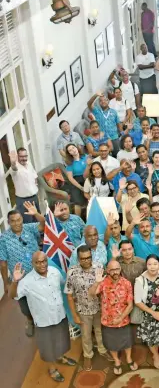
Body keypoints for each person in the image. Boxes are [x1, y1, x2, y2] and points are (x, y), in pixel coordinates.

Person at [10, 252, 77, 382]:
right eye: (38, 262)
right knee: (47, 347)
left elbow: (64, 283)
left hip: (60, 315)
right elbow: (12, 296)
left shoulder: (54, 272)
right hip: (43, 322)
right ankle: (52, 369)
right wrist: (14, 281)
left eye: (44, 261)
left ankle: (61, 357)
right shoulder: (26, 281)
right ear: (33, 263)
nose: (42, 264)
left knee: (61, 340)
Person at [0, 204, 45, 337]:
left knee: (41, 297)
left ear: (22, 219)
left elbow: (44, 224)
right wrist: (6, 283)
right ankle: (29, 320)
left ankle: (42, 320)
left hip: (37, 272)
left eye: (19, 219)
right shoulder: (3, 239)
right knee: (24, 303)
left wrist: (36, 213)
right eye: (12, 221)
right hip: (20, 278)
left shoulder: (30, 228)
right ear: (8, 222)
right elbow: (3, 263)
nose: (16, 223)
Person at [65, 245, 110, 371]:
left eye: (88, 257)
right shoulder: (72, 272)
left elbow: (106, 288)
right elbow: (69, 296)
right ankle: (87, 355)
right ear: (78, 259)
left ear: (91, 256)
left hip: (99, 308)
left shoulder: (99, 268)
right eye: (83, 258)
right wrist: (74, 315)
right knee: (86, 335)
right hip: (83, 310)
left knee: (100, 331)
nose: (86, 260)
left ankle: (102, 349)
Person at [89, 260, 137, 376]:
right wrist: (97, 282)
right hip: (108, 321)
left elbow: (130, 305)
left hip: (123, 320)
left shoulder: (127, 283)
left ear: (120, 269)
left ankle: (129, 358)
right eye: (112, 270)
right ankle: (117, 360)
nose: (115, 272)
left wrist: (120, 318)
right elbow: (91, 294)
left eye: (117, 269)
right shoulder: (103, 283)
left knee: (127, 342)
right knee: (111, 344)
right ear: (107, 270)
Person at [134, 254, 159, 369]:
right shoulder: (140, 280)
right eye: (149, 264)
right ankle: (155, 355)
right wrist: (153, 313)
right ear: (146, 265)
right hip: (148, 314)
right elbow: (138, 301)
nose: (152, 267)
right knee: (151, 337)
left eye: (155, 264)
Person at [8, 149, 40, 223]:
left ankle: (40, 234)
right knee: (27, 221)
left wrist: (36, 189)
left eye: (25, 156)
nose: (24, 158)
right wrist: (13, 163)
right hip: (23, 200)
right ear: (17, 157)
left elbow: (34, 176)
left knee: (37, 218)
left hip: (34, 197)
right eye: (21, 156)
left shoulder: (29, 163)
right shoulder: (14, 168)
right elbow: (14, 169)